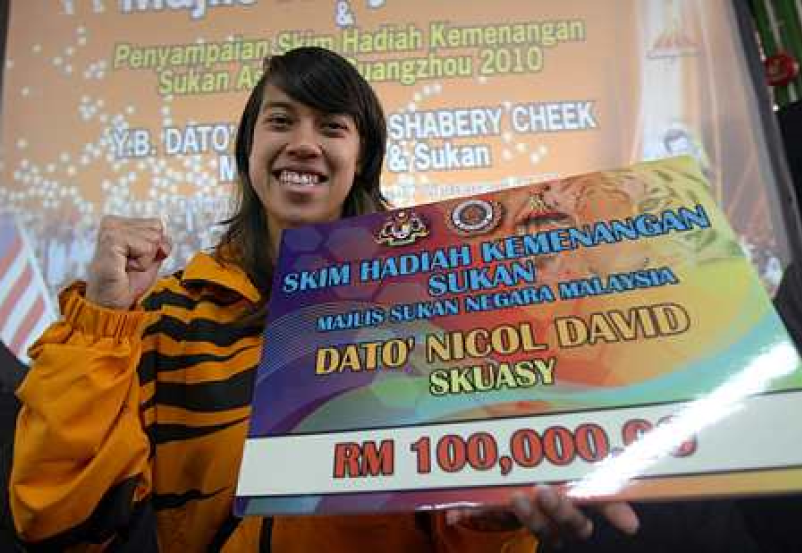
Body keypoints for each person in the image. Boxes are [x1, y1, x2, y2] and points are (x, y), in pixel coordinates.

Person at [9, 47, 638, 551]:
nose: (304, 143)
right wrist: (101, 320)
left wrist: (493, 519)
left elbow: (461, 521)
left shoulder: (432, 308)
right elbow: (60, 518)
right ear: (249, 150)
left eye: (332, 127)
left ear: (360, 160)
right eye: (281, 121)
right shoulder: (170, 316)